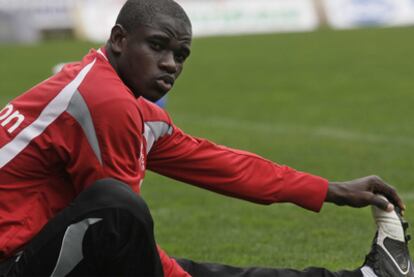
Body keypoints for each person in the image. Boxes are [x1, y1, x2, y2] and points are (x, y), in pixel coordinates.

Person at [0, 0, 412, 276]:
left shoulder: (119, 96)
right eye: (157, 47)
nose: (170, 64)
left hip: (33, 251)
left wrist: (329, 190)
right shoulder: (105, 101)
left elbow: (218, 163)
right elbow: (119, 222)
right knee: (121, 210)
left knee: (176, 260)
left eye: (180, 55)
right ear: (119, 39)